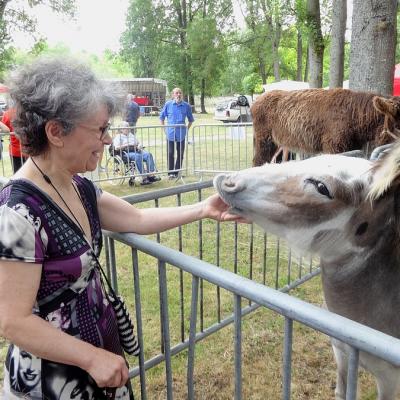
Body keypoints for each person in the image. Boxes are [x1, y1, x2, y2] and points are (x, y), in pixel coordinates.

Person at [0, 56, 244, 400]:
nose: (110, 139)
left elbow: (138, 219)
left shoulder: (79, 187)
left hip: (97, 367)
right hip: (52, 382)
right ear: (56, 131)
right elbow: (14, 321)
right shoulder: (17, 213)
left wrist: (204, 209)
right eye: (99, 129)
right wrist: (92, 358)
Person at [160, 87, 194, 179]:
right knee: (170, 153)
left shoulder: (186, 106)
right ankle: (171, 173)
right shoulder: (168, 104)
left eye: (180, 93)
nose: (178, 95)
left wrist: (186, 129)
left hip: (181, 134)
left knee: (180, 153)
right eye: (176, 93)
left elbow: (191, 120)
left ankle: (177, 172)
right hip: (170, 133)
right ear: (173, 95)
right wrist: (164, 129)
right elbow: (161, 117)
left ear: (182, 94)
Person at [112, 121, 161, 185]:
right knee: (138, 157)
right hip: (126, 152)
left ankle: (150, 175)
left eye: (128, 127)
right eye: (125, 127)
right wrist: (127, 144)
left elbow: (138, 142)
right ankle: (144, 178)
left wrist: (139, 145)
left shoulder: (131, 135)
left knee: (148, 155)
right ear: (121, 129)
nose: (127, 129)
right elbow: (116, 147)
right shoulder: (118, 137)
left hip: (136, 150)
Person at [2, 107, 27, 172]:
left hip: (16, 151)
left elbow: (4, 130)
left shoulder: (7, 114)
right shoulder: (29, 111)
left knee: (17, 174)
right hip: (29, 150)